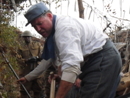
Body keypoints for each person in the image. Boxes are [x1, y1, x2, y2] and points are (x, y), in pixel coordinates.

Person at [17, 2, 122, 98]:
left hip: (103, 59)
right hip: (90, 63)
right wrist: (60, 76)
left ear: (49, 16)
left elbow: (71, 66)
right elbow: (56, 61)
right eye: (34, 26)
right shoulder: (52, 36)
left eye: (40, 23)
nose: (38, 29)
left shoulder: (64, 29)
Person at [17, 30, 43, 98]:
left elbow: (42, 56)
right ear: (23, 38)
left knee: (38, 90)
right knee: (24, 91)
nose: (27, 38)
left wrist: (37, 58)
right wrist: (27, 60)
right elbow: (18, 59)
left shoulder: (37, 45)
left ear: (30, 37)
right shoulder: (21, 47)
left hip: (37, 72)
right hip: (26, 72)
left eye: (28, 37)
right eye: (25, 37)